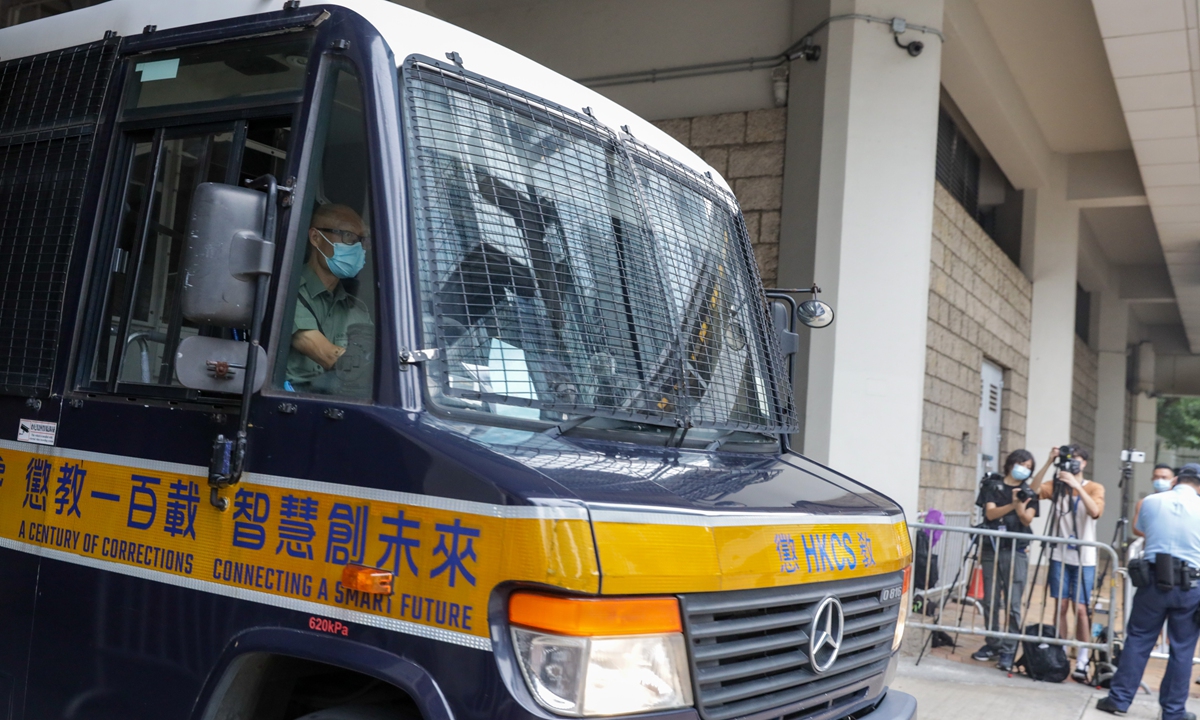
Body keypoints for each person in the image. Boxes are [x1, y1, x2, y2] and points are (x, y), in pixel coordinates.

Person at [1097, 464, 1200, 720]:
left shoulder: (1151, 502)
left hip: (1153, 580)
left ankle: (1119, 700)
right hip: (1191, 585)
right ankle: (1173, 712)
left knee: (1138, 640)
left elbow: (1142, 529)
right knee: (1183, 650)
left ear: (1176, 479)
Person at [1030, 444, 1105, 683]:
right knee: (1061, 606)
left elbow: (1095, 511)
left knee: (1081, 609)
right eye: (1069, 459)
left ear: (1084, 463)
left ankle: (1083, 657)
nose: (1073, 463)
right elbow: (1032, 491)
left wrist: (1076, 486)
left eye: (1078, 460)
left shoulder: (1093, 487)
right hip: (1060, 555)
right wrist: (1047, 463)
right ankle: (1060, 653)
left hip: (1085, 558)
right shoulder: (1056, 485)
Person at [285, 203, 373, 395]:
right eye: (348, 236)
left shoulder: (356, 309)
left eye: (362, 240)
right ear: (316, 237)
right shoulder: (286, 291)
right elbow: (327, 355)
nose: (358, 247)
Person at [970, 449, 1038, 671]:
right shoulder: (993, 485)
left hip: (1016, 551)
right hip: (992, 549)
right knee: (990, 598)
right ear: (1011, 463)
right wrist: (1013, 504)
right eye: (1022, 464)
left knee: (1013, 603)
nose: (1024, 469)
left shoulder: (1029, 492)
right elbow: (990, 514)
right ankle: (993, 643)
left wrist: (1020, 505)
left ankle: (1009, 649)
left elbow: (1027, 519)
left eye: (1029, 467)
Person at [1133, 464, 1176, 538]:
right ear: (1152, 479)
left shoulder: (1179, 501)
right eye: (1156, 477)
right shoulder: (1144, 502)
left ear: (1173, 481)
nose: (1159, 480)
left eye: (1164, 478)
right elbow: (1136, 529)